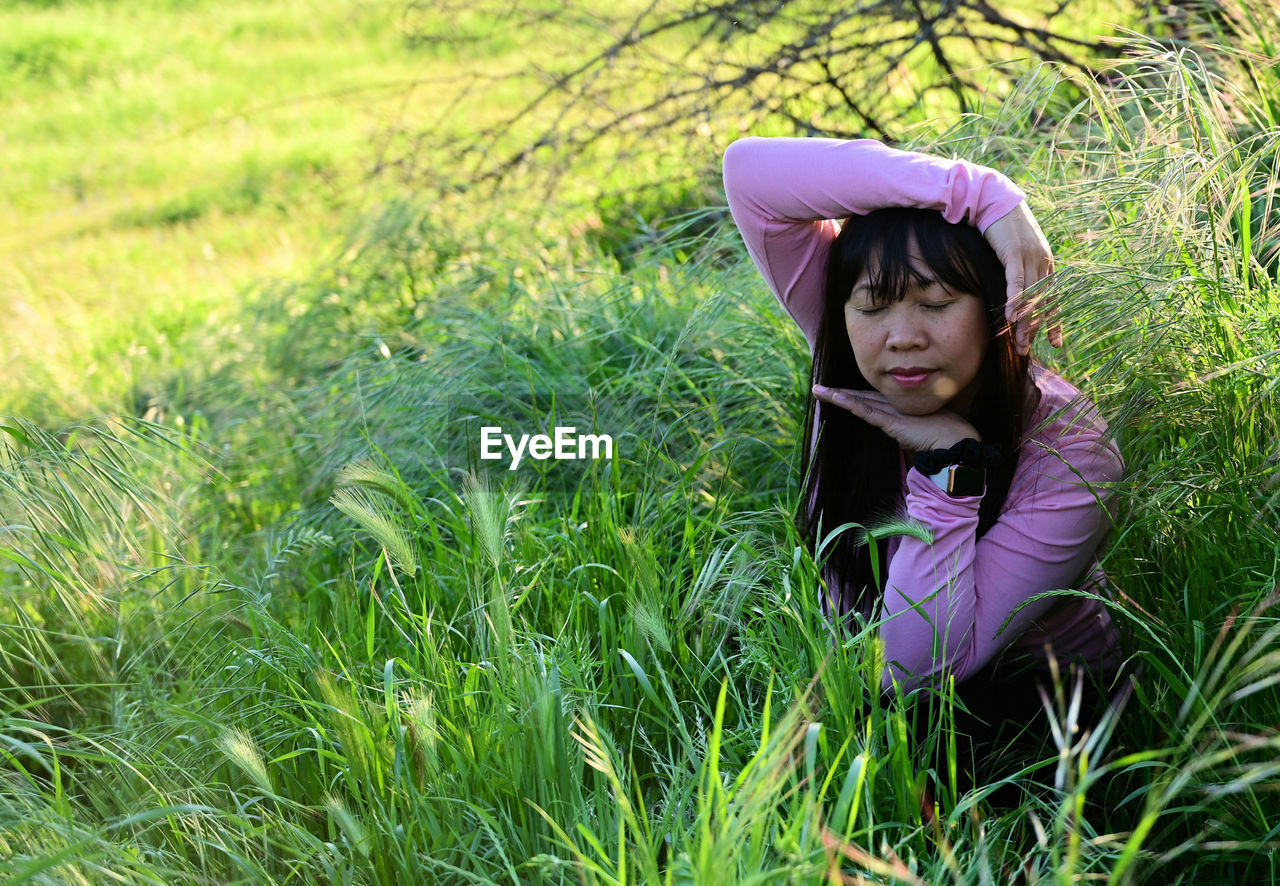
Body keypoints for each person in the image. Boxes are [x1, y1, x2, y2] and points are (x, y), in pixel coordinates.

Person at [722, 136, 1126, 799]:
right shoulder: (847, 353)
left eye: (935, 305)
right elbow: (750, 172)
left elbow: (919, 667)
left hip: (1043, 722)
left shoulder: (1073, 453)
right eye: (873, 306)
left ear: (998, 307)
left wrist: (949, 467)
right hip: (868, 687)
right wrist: (986, 195)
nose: (901, 336)